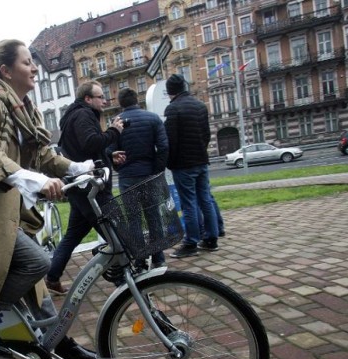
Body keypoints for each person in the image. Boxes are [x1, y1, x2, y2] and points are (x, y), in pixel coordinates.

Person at [0, 39, 97, 359]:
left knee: (36, 284)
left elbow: (42, 154)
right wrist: (36, 180)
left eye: (33, 62)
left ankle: (56, 338)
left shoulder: (24, 108)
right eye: (27, 62)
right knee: (38, 263)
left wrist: (77, 167)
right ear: (6, 70)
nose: (34, 68)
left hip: (6, 206)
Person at [44, 80, 124, 293]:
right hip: (91, 189)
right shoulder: (83, 115)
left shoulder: (76, 116)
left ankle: (52, 278)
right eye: (100, 97)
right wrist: (114, 131)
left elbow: (83, 150)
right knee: (114, 232)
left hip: (83, 187)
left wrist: (108, 154)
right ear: (88, 99)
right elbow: (90, 142)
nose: (105, 100)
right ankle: (126, 280)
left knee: (73, 236)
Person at [107, 87, 169, 268]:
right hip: (149, 174)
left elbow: (110, 151)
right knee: (153, 216)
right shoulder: (153, 119)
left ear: (120, 103)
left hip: (127, 176)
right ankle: (158, 258)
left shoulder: (116, 122)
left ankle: (140, 259)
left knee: (133, 218)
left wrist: (119, 166)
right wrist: (157, 170)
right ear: (137, 99)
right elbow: (164, 147)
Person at [163, 74, 219, 258]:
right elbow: (206, 134)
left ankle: (191, 242)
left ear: (170, 91)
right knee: (206, 200)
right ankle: (211, 239)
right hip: (201, 160)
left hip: (183, 164)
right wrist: (200, 151)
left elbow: (171, 140)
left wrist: (170, 162)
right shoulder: (200, 106)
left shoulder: (173, 109)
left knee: (188, 203)